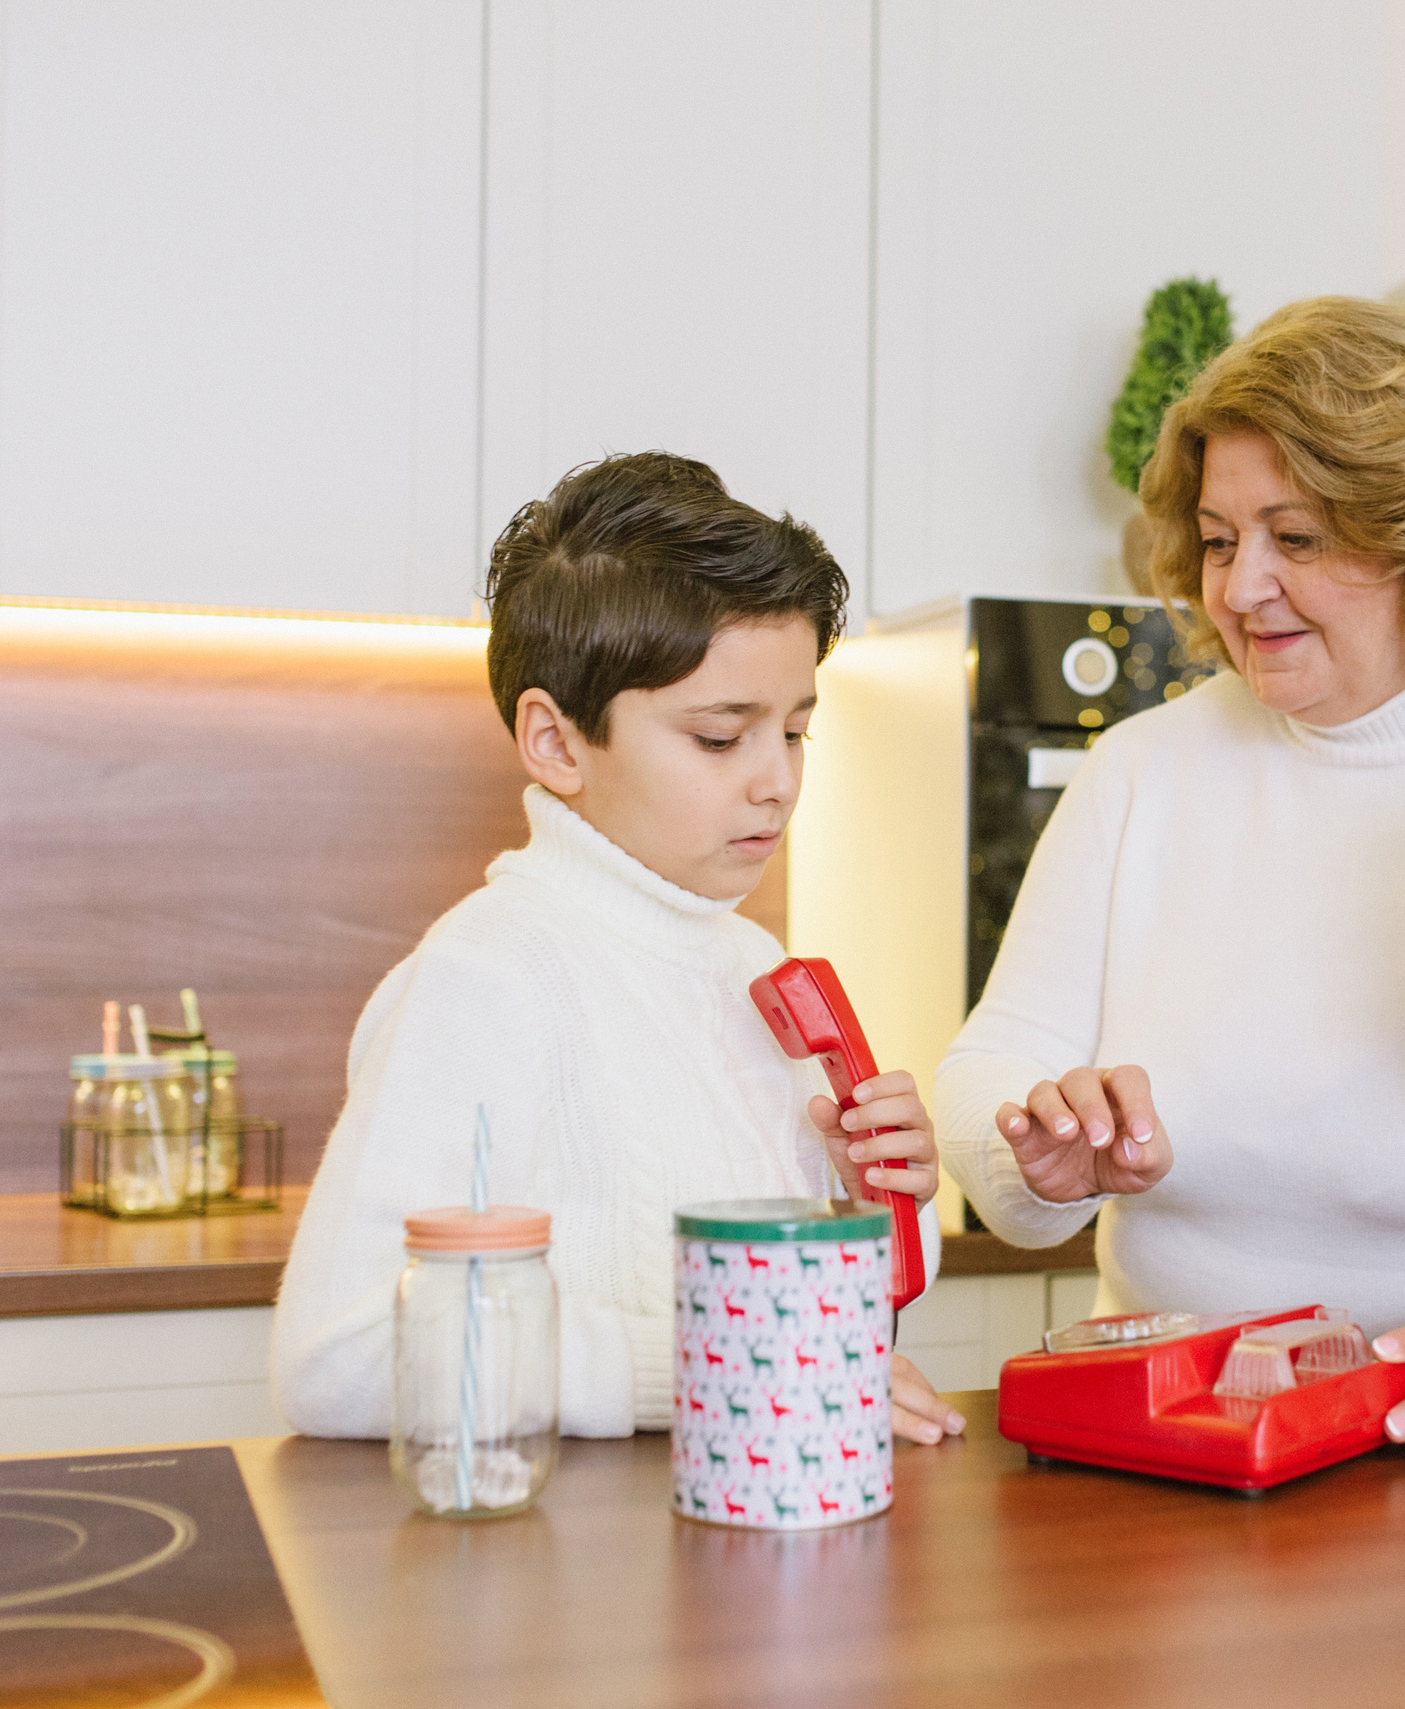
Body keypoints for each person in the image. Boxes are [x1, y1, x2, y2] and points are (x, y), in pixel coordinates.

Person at [936, 296, 1405, 1456]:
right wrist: (1035, 1146)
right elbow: (994, 1057)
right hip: (1177, 1440)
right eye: (1222, 540)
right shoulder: (1143, 771)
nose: (1239, 589)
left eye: (1299, 537)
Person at [273, 452, 964, 1446]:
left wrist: (870, 1206)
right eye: (722, 738)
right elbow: (336, 1357)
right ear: (556, 742)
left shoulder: (743, 963)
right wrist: (707, 1359)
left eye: (798, 730)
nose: (777, 780)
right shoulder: (487, 976)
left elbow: (809, 1329)